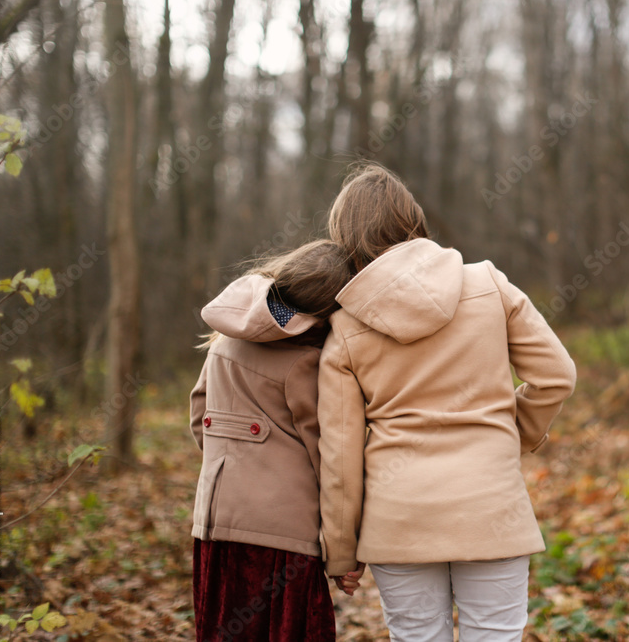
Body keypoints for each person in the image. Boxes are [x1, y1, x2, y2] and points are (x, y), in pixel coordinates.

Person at [318, 164, 577, 641]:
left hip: (399, 519)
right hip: (490, 505)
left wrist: (340, 550)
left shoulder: (345, 329)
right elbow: (557, 376)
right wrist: (512, 431)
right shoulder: (488, 284)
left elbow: (340, 457)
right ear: (413, 219)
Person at [189, 239, 353, 642]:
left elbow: (200, 419)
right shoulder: (308, 361)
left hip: (214, 525)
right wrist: (343, 553)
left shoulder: (224, 340)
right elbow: (329, 460)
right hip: (283, 541)